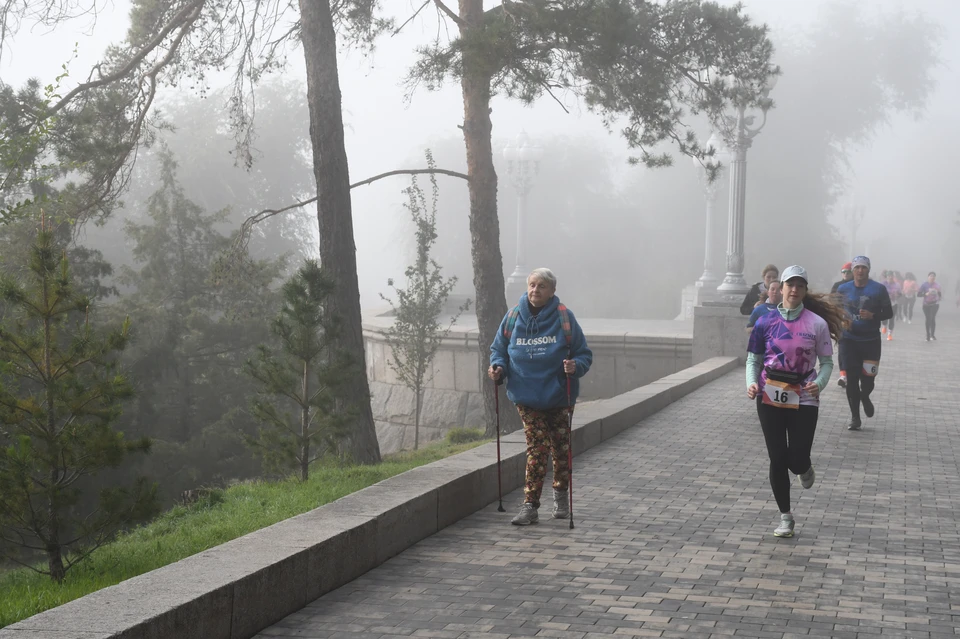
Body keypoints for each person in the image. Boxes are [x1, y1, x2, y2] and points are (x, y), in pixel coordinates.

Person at [746, 265, 845, 538]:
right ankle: (785, 517)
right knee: (777, 457)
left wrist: (820, 383)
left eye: (800, 285)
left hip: (804, 395)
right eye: (790, 284)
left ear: (804, 290)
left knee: (796, 458)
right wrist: (751, 383)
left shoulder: (817, 324)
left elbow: (826, 363)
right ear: (781, 288)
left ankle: (804, 466)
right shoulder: (765, 322)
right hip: (769, 392)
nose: (794, 289)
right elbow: (754, 359)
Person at [489, 268, 593, 525]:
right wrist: (498, 368)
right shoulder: (513, 317)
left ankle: (560, 496)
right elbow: (498, 349)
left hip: (559, 396)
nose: (535, 290)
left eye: (541, 286)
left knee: (560, 449)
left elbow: (583, 354)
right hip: (526, 396)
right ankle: (530, 506)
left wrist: (575, 366)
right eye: (532, 285)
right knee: (537, 449)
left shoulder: (564, 318)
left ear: (552, 291)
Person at [836, 256, 893, 431]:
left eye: (863, 268)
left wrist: (873, 316)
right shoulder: (843, 289)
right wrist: (842, 320)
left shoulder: (878, 289)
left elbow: (889, 312)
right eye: (857, 268)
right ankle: (855, 417)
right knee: (851, 380)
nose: (860, 271)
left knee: (868, 380)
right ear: (852, 271)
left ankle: (865, 396)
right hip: (849, 341)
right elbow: (835, 310)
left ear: (868, 270)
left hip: (870, 342)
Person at [917, 271, 942, 341]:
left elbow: (940, 294)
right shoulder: (924, 285)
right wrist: (925, 294)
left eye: (933, 276)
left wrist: (938, 296)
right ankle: (928, 335)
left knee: (932, 317)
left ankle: (932, 335)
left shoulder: (937, 285)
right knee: (928, 319)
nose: (932, 277)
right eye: (931, 276)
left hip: (935, 304)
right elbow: (918, 294)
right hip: (926, 304)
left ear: (935, 278)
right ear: (928, 277)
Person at [882, 271, 901, 341]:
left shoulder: (897, 285)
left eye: (891, 276)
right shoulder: (883, 284)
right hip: (885, 303)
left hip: (894, 303)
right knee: (884, 317)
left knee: (892, 319)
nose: (890, 277)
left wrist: (897, 295)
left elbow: (900, 294)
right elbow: (879, 292)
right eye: (889, 276)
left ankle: (889, 334)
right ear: (886, 277)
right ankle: (884, 325)